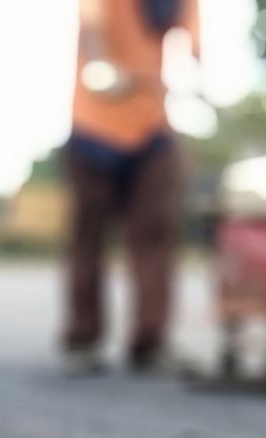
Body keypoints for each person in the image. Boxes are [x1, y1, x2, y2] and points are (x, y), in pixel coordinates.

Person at [63, 0, 199, 374]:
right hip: (95, 121)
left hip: (151, 123)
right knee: (88, 234)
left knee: (156, 231)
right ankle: (83, 339)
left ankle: (150, 342)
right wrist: (99, 63)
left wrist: (200, 81)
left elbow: (193, 41)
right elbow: (90, 24)